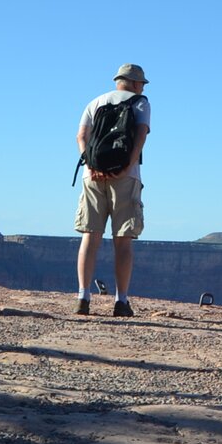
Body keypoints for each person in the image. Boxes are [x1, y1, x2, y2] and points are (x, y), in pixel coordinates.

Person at [75, 63, 151, 317]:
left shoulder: (95, 102)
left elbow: (82, 136)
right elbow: (140, 136)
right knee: (123, 240)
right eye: (141, 82)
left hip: (92, 176)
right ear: (135, 83)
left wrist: (91, 164)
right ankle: (121, 301)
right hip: (126, 176)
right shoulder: (140, 103)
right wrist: (125, 166)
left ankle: (83, 297)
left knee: (90, 235)